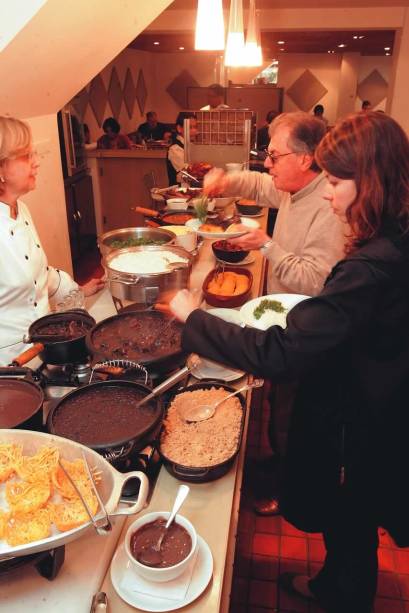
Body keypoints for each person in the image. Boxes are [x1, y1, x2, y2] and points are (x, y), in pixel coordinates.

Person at [170, 111, 409, 613]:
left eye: (339, 181)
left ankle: (345, 597)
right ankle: (333, 586)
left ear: (371, 181)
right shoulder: (394, 230)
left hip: (367, 415)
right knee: (351, 518)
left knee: (350, 514)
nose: (328, 191)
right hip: (375, 397)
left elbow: (283, 352)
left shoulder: (374, 264)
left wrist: (194, 318)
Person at [205, 112, 346, 516]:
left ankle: (289, 485)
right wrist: (227, 179)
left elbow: (317, 282)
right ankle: (280, 460)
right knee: (278, 406)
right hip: (280, 320)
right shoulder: (294, 186)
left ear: (304, 159)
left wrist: (267, 246)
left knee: (291, 413)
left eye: (273, 155)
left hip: (304, 330)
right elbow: (259, 183)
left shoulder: (327, 206)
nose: (266, 164)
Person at [0, 116, 104, 366]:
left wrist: (76, 290)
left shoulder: (20, 209)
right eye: (26, 156)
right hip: (10, 366)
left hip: (46, 348)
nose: (37, 162)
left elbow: (40, 274)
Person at [166, 112, 197, 186]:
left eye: (195, 127)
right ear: (179, 128)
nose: (194, 131)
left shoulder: (190, 145)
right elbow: (188, 174)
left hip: (191, 190)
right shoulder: (175, 149)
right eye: (190, 127)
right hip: (180, 193)